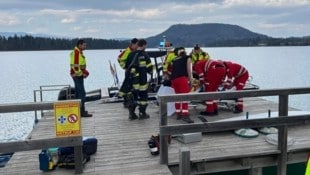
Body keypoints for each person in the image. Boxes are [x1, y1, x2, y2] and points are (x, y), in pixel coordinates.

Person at [125, 39, 153, 120]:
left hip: (132, 80)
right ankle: (142, 113)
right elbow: (149, 68)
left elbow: (127, 67)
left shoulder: (130, 54)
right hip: (142, 80)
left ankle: (132, 114)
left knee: (132, 96)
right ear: (143, 45)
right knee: (143, 97)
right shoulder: (145, 55)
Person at [170, 47, 194, 123]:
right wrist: (191, 81)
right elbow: (189, 70)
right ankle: (185, 115)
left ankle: (178, 114)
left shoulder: (174, 60)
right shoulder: (187, 58)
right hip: (182, 79)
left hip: (174, 80)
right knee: (185, 97)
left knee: (177, 97)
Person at [70, 39, 92, 117]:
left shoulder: (78, 52)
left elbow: (79, 66)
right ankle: (81, 112)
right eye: (84, 45)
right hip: (77, 75)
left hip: (77, 75)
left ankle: (78, 111)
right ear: (79, 45)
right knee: (81, 93)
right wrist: (82, 74)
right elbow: (75, 66)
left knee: (78, 93)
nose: (85, 47)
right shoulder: (76, 53)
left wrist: (84, 72)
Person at [118, 38, 139, 107]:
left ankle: (132, 101)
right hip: (129, 71)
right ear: (133, 44)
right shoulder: (128, 51)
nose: (138, 46)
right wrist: (126, 67)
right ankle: (126, 101)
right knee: (128, 86)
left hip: (134, 72)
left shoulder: (135, 51)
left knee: (133, 86)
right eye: (137, 44)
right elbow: (120, 59)